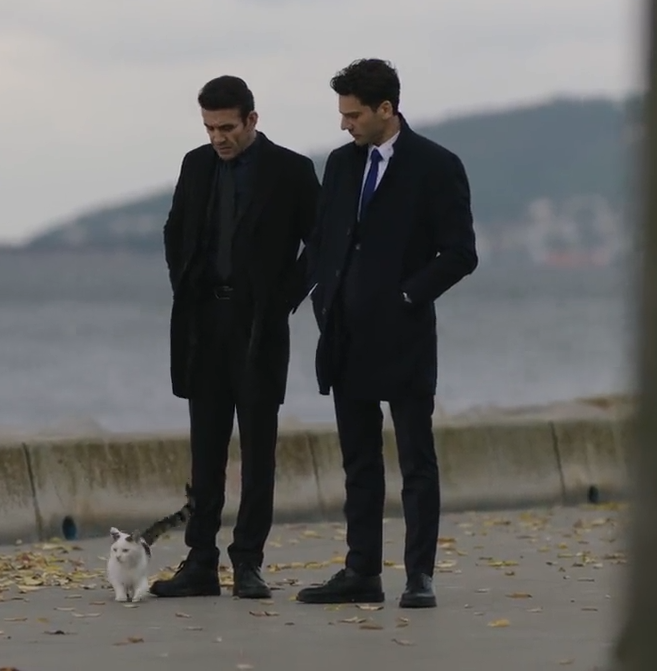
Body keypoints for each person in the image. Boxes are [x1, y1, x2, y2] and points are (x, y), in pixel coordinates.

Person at [294, 59, 479, 609]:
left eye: (353, 115)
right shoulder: (340, 164)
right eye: (342, 114)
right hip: (345, 336)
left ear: (386, 109)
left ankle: (419, 576)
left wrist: (406, 296)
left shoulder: (436, 165)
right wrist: (310, 297)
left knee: (416, 462)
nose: (344, 124)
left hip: (404, 337)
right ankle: (361, 572)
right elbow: (323, 240)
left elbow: (461, 253)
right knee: (359, 463)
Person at [153, 75, 320, 600]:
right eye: (209, 128)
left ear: (252, 119)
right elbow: (175, 230)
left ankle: (248, 561)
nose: (218, 138)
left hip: (258, 327)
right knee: (205, 451)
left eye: (226, 128)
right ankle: (200, 562)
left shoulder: (291, 170)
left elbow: (319, 245)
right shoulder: (196, 165)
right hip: (204, 323)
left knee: (258, 451)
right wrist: (185, 285)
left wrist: (282, 300)